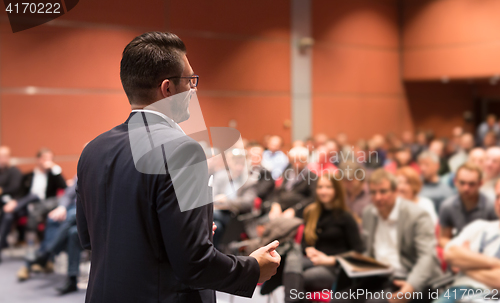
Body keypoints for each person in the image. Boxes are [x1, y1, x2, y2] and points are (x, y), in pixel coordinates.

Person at [76, 32, 280, 303]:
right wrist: (253, 268)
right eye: (190, 81)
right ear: (168, 89)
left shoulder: (93, 149)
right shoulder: (183, 150)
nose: (194, 90)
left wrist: (185, 231)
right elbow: (194, 264)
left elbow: (91, 237)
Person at [333, 168, 442, 303]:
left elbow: (427, 257)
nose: (378, 197)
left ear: (395, 191)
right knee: (340, 299)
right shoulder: (369, 213)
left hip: (409, 278)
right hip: (380, 276)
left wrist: (411, 286)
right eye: (373, 192)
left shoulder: (417, 215)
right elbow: (369, 252)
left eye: (383, 191)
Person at [283, 173, 364, 302]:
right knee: (292, 260)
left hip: (334, 267)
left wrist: (331, 259)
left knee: (296, 278)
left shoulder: (346, 217)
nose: (323, 191)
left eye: (328, 187)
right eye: (320, 187)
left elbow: (358, 251)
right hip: (313, 260)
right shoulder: (311, 212)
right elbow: (304, 243)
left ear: (336, 190)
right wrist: (309, 250)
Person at [434, 179, 500, 303]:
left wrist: (465, 265)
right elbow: (450, 254)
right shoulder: (479, 226)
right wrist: (495, 264)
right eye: (497, 197)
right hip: (459, 290)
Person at [18, 176, 83, 295]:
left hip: (89, 215)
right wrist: (62, 207)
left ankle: (46, 255)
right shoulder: (81, 172)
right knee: (68, 229)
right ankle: (72, 280)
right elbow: (68, 194)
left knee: (71, 217)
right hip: (73, 215)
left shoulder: (99, 171)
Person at [0, 148, 66, 261]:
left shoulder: (53, 176)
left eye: (50, 159)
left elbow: (64, 186)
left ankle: (40, 252)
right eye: (45, 158)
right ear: (38, 159)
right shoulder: (28, 176)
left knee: (33, 197)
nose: (47, 161)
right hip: (26, 207)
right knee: (8, 216)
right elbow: (20, 194)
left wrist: (54, 168)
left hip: (45, 207)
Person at [438, 163, 498, 248]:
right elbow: (443, 238)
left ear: (480, 183)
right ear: (455, 181)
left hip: (486, 252)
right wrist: (459, 249)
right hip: (458, 251)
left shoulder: (491, 206)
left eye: (471, 184)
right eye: (462, 183)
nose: (466, 188)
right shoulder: (447, 206)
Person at [267, 146, 317, 219]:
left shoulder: (312, 177)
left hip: (299, 212)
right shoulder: (286, 173)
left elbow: (312, 198)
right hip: (280, 209)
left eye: (300, 160)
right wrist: (275, 204)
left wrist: (295, 209)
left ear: (306, 160)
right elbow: (277, 192)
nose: (297, 163)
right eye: (294, 160)